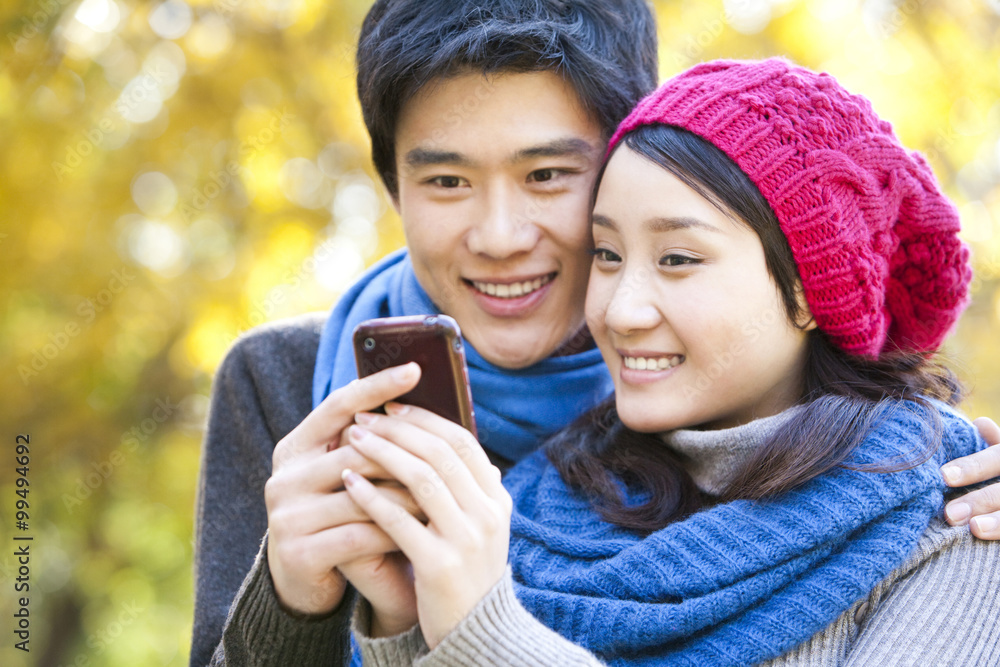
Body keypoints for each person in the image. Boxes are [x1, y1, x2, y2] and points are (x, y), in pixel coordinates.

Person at [189, 0, 1000, 663]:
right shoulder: (289, 384)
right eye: (445, 179)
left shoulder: (933, 495)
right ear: (394, 186)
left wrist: (476, 625)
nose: (500, 234)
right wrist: (294, 606)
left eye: (547, 175)